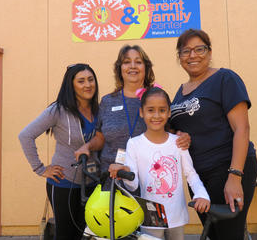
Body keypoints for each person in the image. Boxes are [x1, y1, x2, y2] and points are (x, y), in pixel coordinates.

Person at [169, 29, 257, 240]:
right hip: (199, 177)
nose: (193, 55)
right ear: (179, 57)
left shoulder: (225, 78)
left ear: (209, 52)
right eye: (185, 51)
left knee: (229, 235)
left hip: (226, 168)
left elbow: (242, 128)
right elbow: (175, 129)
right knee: (214, 235)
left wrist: (235, 176)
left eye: (199, 49)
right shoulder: (180, 92)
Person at [108, 87, 210, 240]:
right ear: (142, 112)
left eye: (162, 110)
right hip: (150, 215)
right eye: (150, 110)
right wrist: (123, 172)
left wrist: (202, 194)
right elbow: (133, 184)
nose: (156, 115)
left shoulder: (178, 142)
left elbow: (191, 173)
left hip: (176, 215)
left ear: (169, 113)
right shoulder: (134, 144)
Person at [75, 45, 190, 172]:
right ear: (120, 68)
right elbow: (100, 137)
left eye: (138, 62)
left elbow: (170, 131)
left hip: (149, 176)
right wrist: (87, 146)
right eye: (126, 62)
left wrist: (182, 137)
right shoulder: (107, 101)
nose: (133, 66)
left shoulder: (156, 99)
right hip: (110, 177)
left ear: (146, 67)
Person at [19, 63, 100, 240]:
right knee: (65, 235)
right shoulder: (58, 110)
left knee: (84, 234)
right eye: (81, 81)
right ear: (71, 85)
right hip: (64, 183)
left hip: (92, 183)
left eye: (90, 79)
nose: (87, 85)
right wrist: (40, 169)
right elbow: (25, 136)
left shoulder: (98, 109)